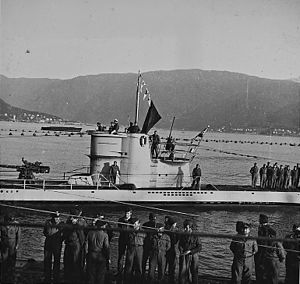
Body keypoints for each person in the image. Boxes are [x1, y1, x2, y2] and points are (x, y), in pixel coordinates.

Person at [63, 207, 86, 283]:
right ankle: (67, 275)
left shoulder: (81, 221)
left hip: (76, 243)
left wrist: (76, 223)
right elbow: (65, 231)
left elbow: (84, 230)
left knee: (75, 261)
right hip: (68, 243)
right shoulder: (68, 220)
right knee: (67, 260)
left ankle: (76, 277)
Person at [85, 220, 110, 284]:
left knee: (91, 274)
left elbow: (86, 244)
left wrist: (86, 254)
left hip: (91, 254)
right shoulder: (105, 235)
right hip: (100, 255)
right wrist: (108, 257)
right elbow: (106, 247)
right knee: (100, 275)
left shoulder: (90, 233)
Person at [178, 219, 202, 284]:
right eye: (184, 228)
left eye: (186, 227)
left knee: (194, 272)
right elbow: (180, 244)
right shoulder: (183, 235)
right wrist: (181, 251)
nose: (185, 229)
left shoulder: (196, 235)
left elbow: (199, 247)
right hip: (184, 255)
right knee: (183, 272)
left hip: (194, 256)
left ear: (189, 227)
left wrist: (190, 251)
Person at [43, 211, 63, 284]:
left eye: (58, 217)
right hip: (48, 243)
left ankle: (56, 277)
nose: (56, 219)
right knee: (47, 260)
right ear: (52, 217)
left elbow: (64, 235)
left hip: (57, 244)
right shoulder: (47, 222)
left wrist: (59, 240)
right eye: (55, 217)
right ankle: (47, 276)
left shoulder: (61, 224)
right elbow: (44, 232)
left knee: (57, 261)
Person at [124, 217, 146, 284]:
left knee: (139, 266)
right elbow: (126, 240)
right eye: (133, 224)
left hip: (139, 248)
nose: (134, 225)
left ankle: (138, 281)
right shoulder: (129, 231)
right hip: (131, 248)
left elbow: (145, 241)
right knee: (128, 266)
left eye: (135, 224)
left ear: (139, 224)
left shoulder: (143, 232)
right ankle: (127, 281)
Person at [0, 214, 21, 284]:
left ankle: (11, 274)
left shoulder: (16, 225)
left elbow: (19, 235)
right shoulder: (2, 224)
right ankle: (4, 275)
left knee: (12, 260)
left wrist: (17, 245)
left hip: (13, 243)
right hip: (4, 244)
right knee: (4, 259)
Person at [254, 214, 271, 284]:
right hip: (265, 252)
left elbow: (262, 241)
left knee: (260, 269)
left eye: (260, 219)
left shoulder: (264, 229)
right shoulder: (269, 229)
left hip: (262, 252)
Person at [116, 207, 132, 275]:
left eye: (128, 213)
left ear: (130, 213)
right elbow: (119, 228)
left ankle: (127, 272)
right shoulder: (120, 220)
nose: (126, 214)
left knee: (129, 256)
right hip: (122, 239)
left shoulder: (132, 221)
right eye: (126, 213)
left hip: (129, 240)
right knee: (120, 255)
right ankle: (119, 271)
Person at [142, 212, 157, 278]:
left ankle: (142, 274)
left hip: (146, 244)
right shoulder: (156, 225)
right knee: (152, 262)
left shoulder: (145, 224)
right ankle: (150, 276)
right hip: (153, 245)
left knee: (144, 260)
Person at [164, 216, 179, 284]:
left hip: (166, 249)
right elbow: (176, 241)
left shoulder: (166, 229)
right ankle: (171, 280)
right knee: (172, 267)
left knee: (164, 266)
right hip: (172, 250)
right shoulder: (176, 230)